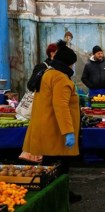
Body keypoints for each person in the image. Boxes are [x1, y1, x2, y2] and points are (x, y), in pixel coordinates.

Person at [22, 39, 82, 203]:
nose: (73, 67)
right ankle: (59, 196)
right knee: (60, 167)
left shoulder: (47, 74)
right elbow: (61, 106)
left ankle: (54, 194)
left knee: (49, 166)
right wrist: (68, 132)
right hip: (57, 131)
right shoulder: (61, 79)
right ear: (68, 64)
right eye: (73, 64)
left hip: (46, 127)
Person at [18, 43, 58, 163]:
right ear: (52, 53)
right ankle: (38, 157)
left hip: (52, 105)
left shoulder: (60, 67)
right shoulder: (42, 66)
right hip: (41, 105)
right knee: (41, 130)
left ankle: (48, 158)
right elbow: (31, 85)